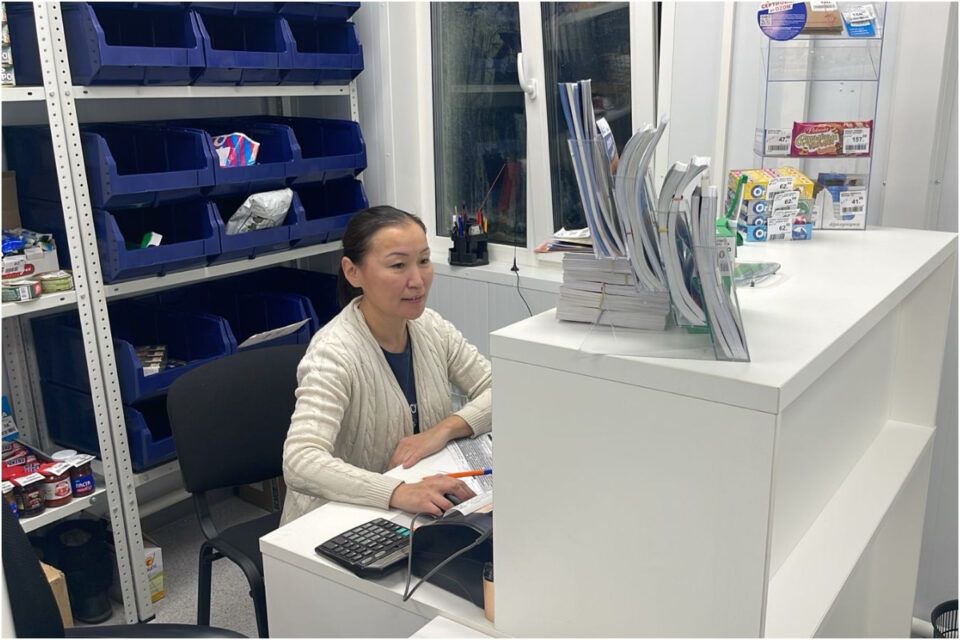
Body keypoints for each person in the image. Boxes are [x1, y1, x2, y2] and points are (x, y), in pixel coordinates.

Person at [280, 206, 491, 525]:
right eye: (398, 265)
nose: (417, 281)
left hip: (414, 502)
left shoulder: (432, 327)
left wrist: (443, 430)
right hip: (336, 519)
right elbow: (300, 461)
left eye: (423, 261)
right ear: (353, 272)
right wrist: (396, 491)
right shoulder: (333, 353)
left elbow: (500, 390)